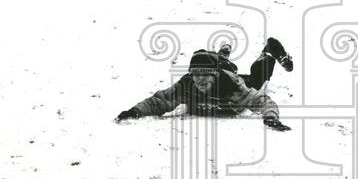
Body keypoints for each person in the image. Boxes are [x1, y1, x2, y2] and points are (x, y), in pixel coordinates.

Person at [115, 39, 295, 131]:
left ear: (215, 75)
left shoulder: (232, 86)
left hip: (230, 75)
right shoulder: (186, 85)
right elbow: (158, 102)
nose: (200, 80)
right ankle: (222, 55)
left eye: (205, 75)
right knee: (218, 63)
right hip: (218, 68)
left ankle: (270, 51)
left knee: (256, 79)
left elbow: (263, 102)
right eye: (195, 75)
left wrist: (271, 118)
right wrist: (134, 111)